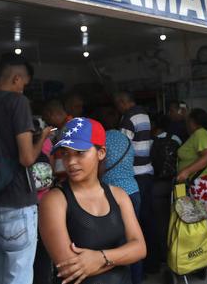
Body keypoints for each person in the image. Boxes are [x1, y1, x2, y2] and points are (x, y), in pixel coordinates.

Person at [39, 118, 146, 284]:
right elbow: (70, 268)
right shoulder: (54, 201)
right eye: (65, 153)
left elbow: (140, 248)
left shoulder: (118, 195)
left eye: (79, 153)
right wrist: (122, 256)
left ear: (101, 153)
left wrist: (100, 258)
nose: (71, 162)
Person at [0, 54, 53, 284]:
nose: (23, 89)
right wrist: (42, 136)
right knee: (19, 277)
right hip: (17, 203)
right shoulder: (17, 102)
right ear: (16, 78)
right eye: (24, 84)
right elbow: (26, 158)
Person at [114, 91, 158, 274]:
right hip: (148, 171)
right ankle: (151, 263)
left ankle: (138, 268)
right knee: (148, 220)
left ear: (124, 102)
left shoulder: (128, 118)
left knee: (134, 225)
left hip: (135, 175)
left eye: (118, 104)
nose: (117, 108)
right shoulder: (144, 114)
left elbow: (121, 146)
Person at [102, 129, 142, 284]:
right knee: (135, 240)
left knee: (118, 244)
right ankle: (137, 279)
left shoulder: (102, 141)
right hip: (133, 190)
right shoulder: (126, 140)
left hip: (114, 195)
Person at [176, 108, 207, 232]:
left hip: (203, 184)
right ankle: (206, 249)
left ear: (192, 121)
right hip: (200, 184)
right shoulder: (198, 135)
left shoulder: (200, 134)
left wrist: (186, 171)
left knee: (205, 224)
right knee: (203, 223)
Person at [149, 115, 181, 264]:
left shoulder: (151, 142)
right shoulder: (176, 138)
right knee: (179, 219)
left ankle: (165, 256)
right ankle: (180, 253)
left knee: (161, 222)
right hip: (177, 184)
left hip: (158, 185)